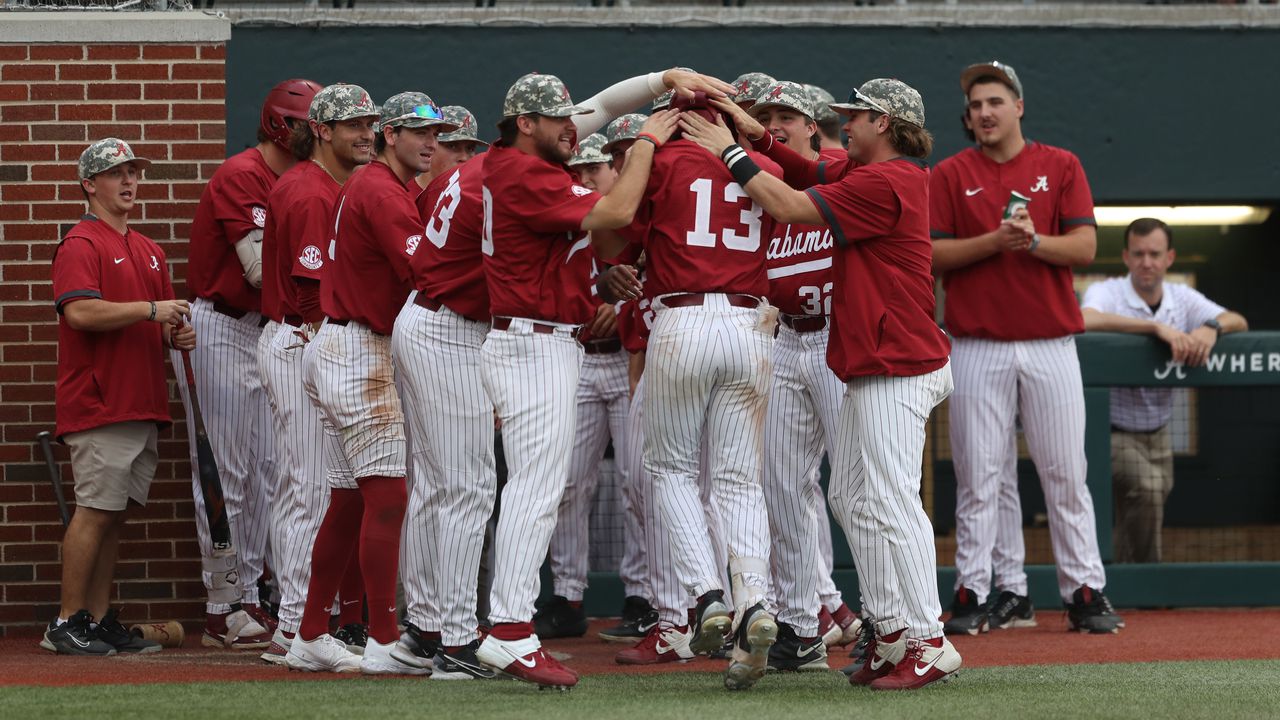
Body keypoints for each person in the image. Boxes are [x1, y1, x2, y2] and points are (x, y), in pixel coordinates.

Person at [680, 77, 963, 691]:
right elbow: (809, 168)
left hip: (899, 363)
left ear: (883, 122)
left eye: (855, 116)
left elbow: (788, 204)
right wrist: (752, 132)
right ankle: (888, 630)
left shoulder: (889, 179)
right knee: (853, 500)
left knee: (892, 501)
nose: (846, 124)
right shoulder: (870, 175)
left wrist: (727, 150)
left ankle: (929, 639)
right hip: (875, 361)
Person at [474, 68, 723, 689]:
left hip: (538, 338)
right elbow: (617, 207)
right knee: (535, 493)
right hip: (531, 344)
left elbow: (605, 101)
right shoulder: (522, 169)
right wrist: (644, 144)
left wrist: (664, 78)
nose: (573, 126)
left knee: (537, 491)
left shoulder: (527, 152)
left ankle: (508, 627)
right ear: (525, 124)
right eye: (559, 118)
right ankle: (508, 630)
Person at [930, 60, 1122, 635]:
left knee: (1065, 471)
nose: (984, 112)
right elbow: (933, 256)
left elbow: (1085, 247)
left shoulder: (1059, 164)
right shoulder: (947, 172)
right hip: (976, 344)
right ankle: (985, 589)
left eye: (994, 101)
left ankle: (1085, 590)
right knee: (979, 476)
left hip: (1050, 343)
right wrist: (996, 240)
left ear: (1018, 106)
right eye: (975, 105)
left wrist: (1032, 239)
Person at [284, 90, 456, 676]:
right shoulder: (382, 189)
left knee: (350, 498)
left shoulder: (391, 186)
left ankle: (310, 633)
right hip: (359, 350)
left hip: (346, 345)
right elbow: (423, 271)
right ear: (390, 135)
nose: (429, 141)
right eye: (416, 131)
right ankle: (385, 638)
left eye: (434, 132)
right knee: (388, 497)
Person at [182, 78, 320, 647]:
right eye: (311, 124)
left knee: (269, 472)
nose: (320, 133)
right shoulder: (243, 174)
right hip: (221, 326)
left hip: (268, 332)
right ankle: (223, 603)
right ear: (280, 125)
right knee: (227, 472)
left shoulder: (298, 179)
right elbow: (261, 271)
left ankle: (252, 591)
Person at [44, 139, 196, 656]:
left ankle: (99, 616)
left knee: (114, 514)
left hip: (142, 402)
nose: (129, 182)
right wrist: (152, 311)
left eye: (134, 173)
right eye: (116, 174)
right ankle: (66, 621)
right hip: (99, 403)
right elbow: (80, 313)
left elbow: (154, 324)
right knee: (93, 509)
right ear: (90, 184)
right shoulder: (81, 243)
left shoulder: (150, 249)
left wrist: (172, 332)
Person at [256, 83, 377, 664]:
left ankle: (304, 622)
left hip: (313, 340)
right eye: (353, 124)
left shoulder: (339, 184)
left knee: (320, 487)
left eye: (370, 123)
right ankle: (294, 626)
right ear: (322, 130)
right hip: (301, 336)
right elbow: (310, 292)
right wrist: (330, 347)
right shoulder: (307, 190)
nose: (366, 133)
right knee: (304, 488)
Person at [745, 81, 860, 673]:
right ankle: (801, 623)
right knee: (782, 486)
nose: (776, 124)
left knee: (857, 489)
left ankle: (887, 617)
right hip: (788, 339)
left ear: (813, 125)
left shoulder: (836, 168)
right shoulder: (765, 195)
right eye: (766, 116)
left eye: (786, 115)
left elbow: (811, 168)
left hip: (839, 340)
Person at [391, 101, 500, 680]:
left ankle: (426, 628)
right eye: (448, 143)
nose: (457, 153)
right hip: (448, 328)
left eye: (464, 145)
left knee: (437, 487)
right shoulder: (484, 190)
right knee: (466, 488)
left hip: (430, 322)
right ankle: (455, 641)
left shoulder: (452, 183)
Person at [1081, 217, 1248, 563]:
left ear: (1169, 258)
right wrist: (1155, 328)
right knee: (1149, 490)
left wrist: (1211, 328)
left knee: (1145, 506)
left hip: (1159, 432)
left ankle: (1121, 583)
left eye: (1154, 254)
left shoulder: (1181, 297)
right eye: (1139, 254)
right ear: (1126, 257)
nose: (1147, 262)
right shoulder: (1109, 291)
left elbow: (1238, 320)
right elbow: (1086, 318)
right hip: (1109, 430)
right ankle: (1147, 585)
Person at [537, 127, 645, 641]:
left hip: (630, 361)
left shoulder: (637, 213)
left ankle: (642, 595)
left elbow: (661, 281)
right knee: (566, 483)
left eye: (593, 169)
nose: (582, 178)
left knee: (637, 482)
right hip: (577, 360)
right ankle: (567, 595)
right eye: (575, 170)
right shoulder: (565, 218)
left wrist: (619, 305)